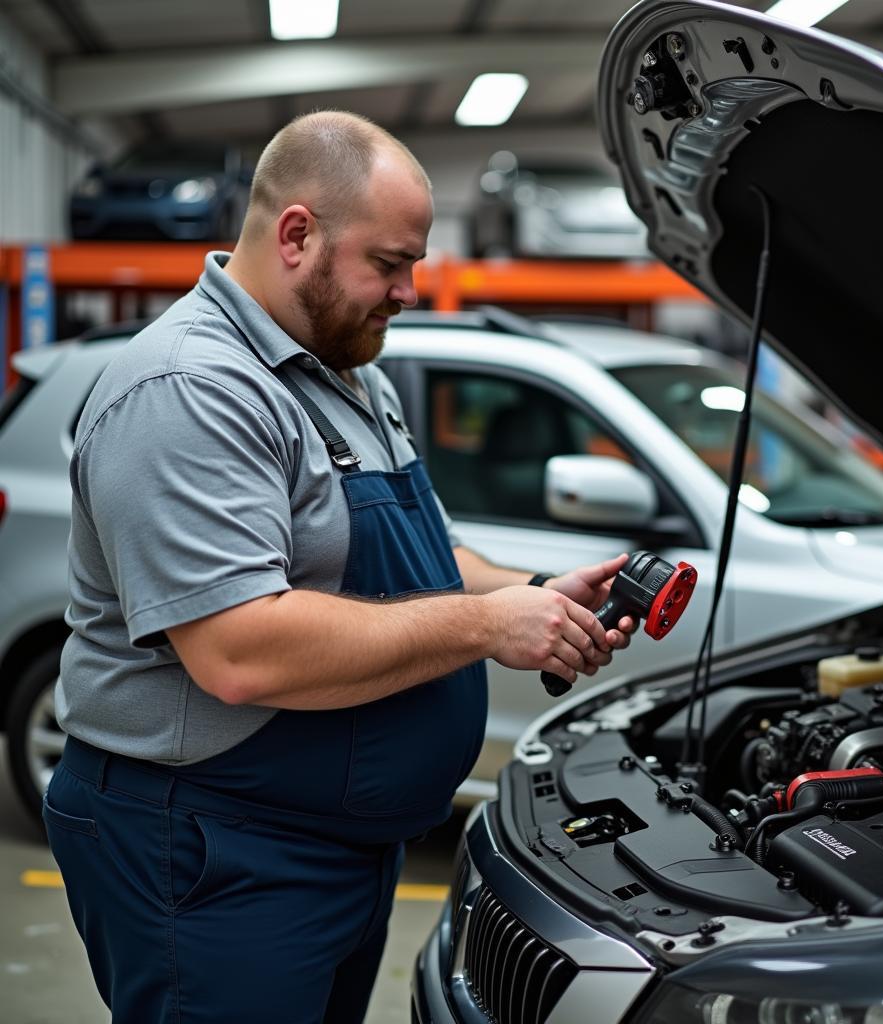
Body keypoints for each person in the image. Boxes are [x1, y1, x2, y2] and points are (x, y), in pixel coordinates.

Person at [45, 110, 636, 1024]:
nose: (408, 290)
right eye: (390, 263)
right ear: (297, 236)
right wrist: (486, 628)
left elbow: (428, 558)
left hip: (333, 841)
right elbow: (242, 651)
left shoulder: (346, 371)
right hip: (210, 848)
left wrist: (526, 596)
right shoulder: (191, 391)